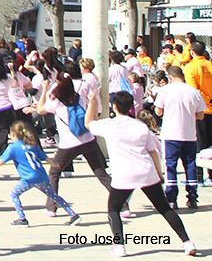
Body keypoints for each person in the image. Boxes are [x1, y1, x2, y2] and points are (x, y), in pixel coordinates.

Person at [87, 90, 197, 257]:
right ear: (131, 106)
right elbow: (153, 152)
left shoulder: (109, 125)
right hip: (146, 171)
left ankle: (119, 246)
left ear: (114, 106)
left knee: (113, 209)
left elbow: (89, 122)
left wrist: (92, 101)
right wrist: (159, 173)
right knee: (164, 208)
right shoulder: (140, 126)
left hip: (124, 174)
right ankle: (187, 242)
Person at [36, 74, 114, 216]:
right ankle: (122, 205)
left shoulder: (56, 103)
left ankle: (51, 207)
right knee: (101, 172)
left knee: (54, 173)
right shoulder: (80, 98)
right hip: (88, 140)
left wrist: (46, 88)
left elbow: (40, 110)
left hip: (68, 144)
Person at [0, 120, 78, 226]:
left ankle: (22, 219)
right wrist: (54, 164)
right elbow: (44, 157)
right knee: (53, 195)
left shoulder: (13, 147)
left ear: (12, 134)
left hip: (28, 178)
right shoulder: (32, 144)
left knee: (14, 194)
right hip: (41, 176)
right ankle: (73, 214)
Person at [154, 65, 206, 209]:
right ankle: (192, 197)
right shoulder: (193, 92)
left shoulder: (165, 90)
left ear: (169, 77)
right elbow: (201, 115)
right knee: (190, 165)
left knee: (170, 165)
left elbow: (158, 111)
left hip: (170, 134)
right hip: (189, 134)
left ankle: (171, 198)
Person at [183, 41, 212, 184]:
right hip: (211, 109)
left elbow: (193, 91)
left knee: (199, 145)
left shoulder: (190, 67)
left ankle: (199, 177)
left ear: (192, 52)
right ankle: (211, 176)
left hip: (200, 110)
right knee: (210, 144)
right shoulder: (210, 65)